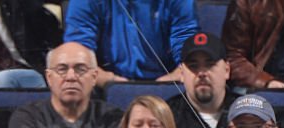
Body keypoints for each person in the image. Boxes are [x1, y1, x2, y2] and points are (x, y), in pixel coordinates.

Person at [63, 0, 197, 85]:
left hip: (167, 84)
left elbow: (187, 52)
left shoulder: (180, 2)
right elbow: (77, 53)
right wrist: (109, 81)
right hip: (105, 86)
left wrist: (172, 79)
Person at [168, 32, 236, 128]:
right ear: (181, 74)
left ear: (227, 70)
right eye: (193, 66)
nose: (202, 73)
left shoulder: (250, 111)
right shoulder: (166, 116)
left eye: (210, 64)